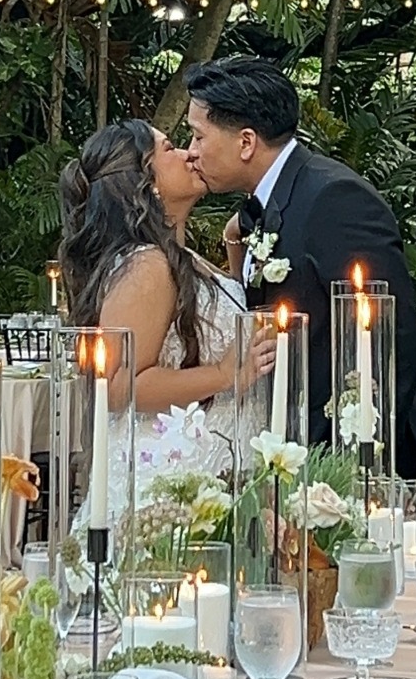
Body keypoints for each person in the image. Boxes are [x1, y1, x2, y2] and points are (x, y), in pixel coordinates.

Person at [184, 56, 416, 476]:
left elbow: (391, 333)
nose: (191, 151)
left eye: (198, 136)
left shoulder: (334, 199)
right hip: (299, 446)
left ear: (246, 142)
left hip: (359, 453)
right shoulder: (267, 204)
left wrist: (359, 460)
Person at [58, 119, 265, 483]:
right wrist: (223, 375)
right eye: (170, 148)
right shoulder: (147, 266)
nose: (190, 154)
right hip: (168, 480)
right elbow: (118, 387)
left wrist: (234, 239)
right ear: (145, 181)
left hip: (211, 469)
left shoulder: (181, 258)